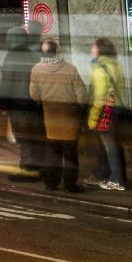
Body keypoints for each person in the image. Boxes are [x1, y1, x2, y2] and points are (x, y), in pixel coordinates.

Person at [28, 34, 91, 192]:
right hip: (70, 115)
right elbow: (82, 95)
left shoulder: (36, 69)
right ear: (57, 51)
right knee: (70, 153)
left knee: (53, 152)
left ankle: (51, 183)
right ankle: (70, 185)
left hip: (50, 115)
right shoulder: (70, 69)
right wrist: (81, 108)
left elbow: (34, 94)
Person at [0, 30, 42, 180]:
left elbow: (7, 82)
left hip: (18, 104)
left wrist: (3, 103)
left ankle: (27, 170)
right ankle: (38, 167)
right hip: (35, 104)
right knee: (35, 137)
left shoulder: (11, 56)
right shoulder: (34, 55)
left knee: (23, 138)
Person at [86, 38, 127, 191]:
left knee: (110, 147)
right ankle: (113, 177)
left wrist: (92, 119)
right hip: (116, 108)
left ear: (100, 50)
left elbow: (99, 99)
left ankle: (116, 180)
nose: (91, 49)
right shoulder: (117, 65)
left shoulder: (99, 69)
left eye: (94, 47)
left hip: (105, 111)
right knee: (114, 145)